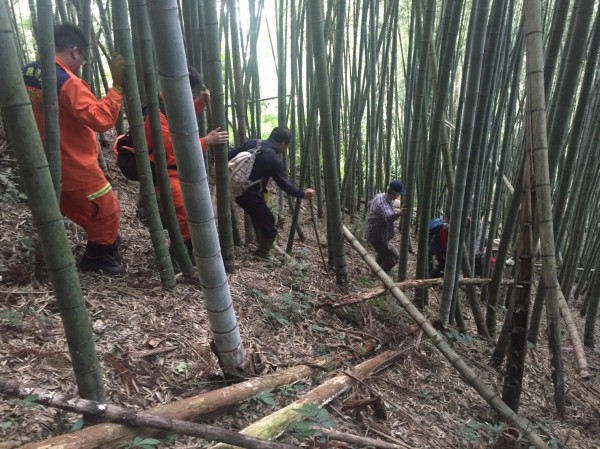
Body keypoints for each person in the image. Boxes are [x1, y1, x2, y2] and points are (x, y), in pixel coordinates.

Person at [22, 24, 126, 275]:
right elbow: (100, 120)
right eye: (83, 58)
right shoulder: (66, 82)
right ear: (74, 51)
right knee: (106, 208)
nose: (82, 63)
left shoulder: (25, 72)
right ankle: (98, 258)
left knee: (77, 207)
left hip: (39, 162)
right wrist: (117, 87)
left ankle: (104, 245)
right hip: (73, 164)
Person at [143, 67, 228, 252]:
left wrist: (200, 104)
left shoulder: (171, 105)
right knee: (183, 212)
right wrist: (206, 141)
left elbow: (182, 121)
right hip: (165, 171)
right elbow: (172, 145)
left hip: (180, 169)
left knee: (192, 210)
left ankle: (190, 251)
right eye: (189, 92)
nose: (189, 96)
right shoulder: (155, 112)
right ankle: (181, 253)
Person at [228, 127, 315, 261]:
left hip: (235, 189)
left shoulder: (253, 143)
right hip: (248, 194)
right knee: (268, 220)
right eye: (286, 146)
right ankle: (264, 253)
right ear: (283, 143)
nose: (285, 149)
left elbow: (229, 155)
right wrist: (303, 193)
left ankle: (261, 247)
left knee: (260, 218)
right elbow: (285, 185)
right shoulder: (273, 158)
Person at [363, 180, 406, 273]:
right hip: (377, 237)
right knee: (393, 259)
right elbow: (388, 217)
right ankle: (381, 275)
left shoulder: (379, 196)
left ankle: (374, 271)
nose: (399, 196)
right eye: (399, 194)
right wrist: (399, 213)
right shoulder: (383, 203)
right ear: (395, 193)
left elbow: (369, 204)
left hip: (377, 234)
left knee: (382, 253)